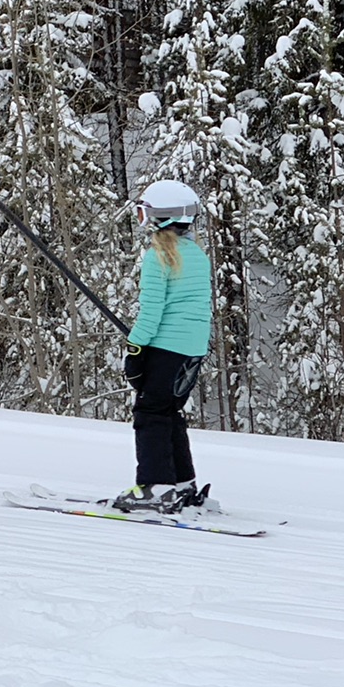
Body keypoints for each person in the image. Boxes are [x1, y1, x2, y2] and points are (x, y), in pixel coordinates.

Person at [112, 179, 213, 514]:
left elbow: (152, 312)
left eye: (146, 213)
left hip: (165, 348)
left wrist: (135, 349)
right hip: (192, 350)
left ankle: (155, 487)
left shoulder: (159, 257)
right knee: (169, 412)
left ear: (162, 217)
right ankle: (183, 486)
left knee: (150, 413)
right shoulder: (196, 255)